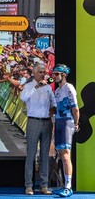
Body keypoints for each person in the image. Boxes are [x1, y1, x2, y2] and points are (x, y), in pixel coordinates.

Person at [20, 63, 57, 195]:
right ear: (34, 73)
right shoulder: (29, 86)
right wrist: (36, 87)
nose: (43, 74)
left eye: (44, 72)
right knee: (31, 154)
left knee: (44, 155)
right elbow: (23, 98)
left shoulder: (47, 87)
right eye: (40, 72)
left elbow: (53, 101)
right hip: (33, 121)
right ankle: (29, 185)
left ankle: (44, 185)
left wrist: (54, 108)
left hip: (47, 122)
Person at [51, 64, 80, 197]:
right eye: (54, 74)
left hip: (67, 122)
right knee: (62, 155)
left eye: (57, 74)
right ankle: (64, 185)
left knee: (66, 155)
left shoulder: (69, 87)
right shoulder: (57, 91)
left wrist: (76, 124)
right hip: (58, 122)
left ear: (64, 75)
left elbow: (75, 108)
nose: (54, 76)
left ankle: (68, 186)